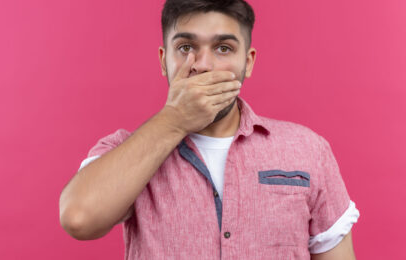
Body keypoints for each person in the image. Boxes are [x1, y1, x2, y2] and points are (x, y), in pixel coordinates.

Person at [59, 0, 360, 259]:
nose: (203, 65)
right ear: (165, 61)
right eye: (186, 47)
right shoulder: (124, 150)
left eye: (224, 48)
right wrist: (175, 119)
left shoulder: (308, 149)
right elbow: (79, 218)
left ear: (248, 62)